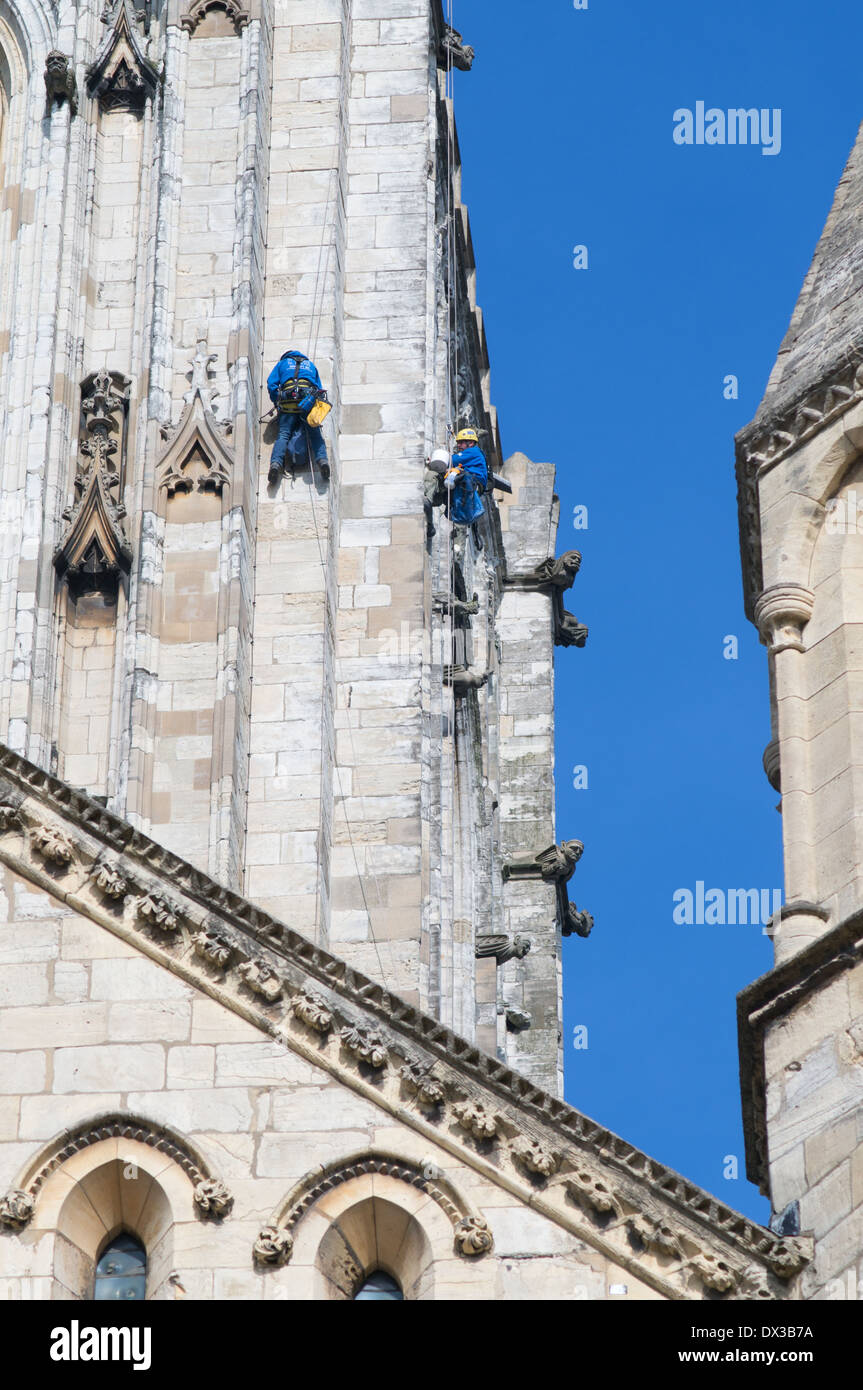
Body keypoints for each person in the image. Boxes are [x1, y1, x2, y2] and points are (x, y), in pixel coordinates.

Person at [266, 350, 329, 484]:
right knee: (315, 434)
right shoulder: (310, 365)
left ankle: (276, 464)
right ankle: (323, 461)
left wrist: (276, 400)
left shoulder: (282, 364)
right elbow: (319, 388)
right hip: (307, 402)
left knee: (283, 434)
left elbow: (271, 384)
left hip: (288, 403)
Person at [444, 428, 487, 525]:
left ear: (471, 443)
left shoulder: (473, 452)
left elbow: (451, 460)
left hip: (472, 482)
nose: (458, 445)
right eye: (458, 442)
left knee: (457, 473)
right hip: (469, 483)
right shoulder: (471, 453)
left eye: (461, 443)